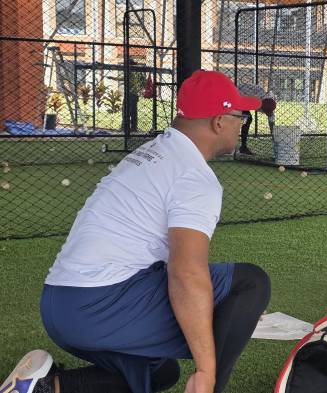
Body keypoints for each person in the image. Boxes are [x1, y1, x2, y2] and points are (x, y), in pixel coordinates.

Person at [1, 70, 271, 393]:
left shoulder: (151, 152)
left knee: (161, 372)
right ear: (218, 122)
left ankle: (46, 387)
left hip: (60, 306)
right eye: (240, 115)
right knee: (251, 284)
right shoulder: (194, 177)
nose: (242, 123)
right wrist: (206, 370)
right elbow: (186, 273)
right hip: (98, 307)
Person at [236, 83, 276, 156]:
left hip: (245, 95)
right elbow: (239, 98)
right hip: (237, 95)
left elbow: (272, 122)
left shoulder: (270, 102)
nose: (265, 113)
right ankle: (242, 147)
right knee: (247, 119)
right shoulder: (254, 98)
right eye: (264, 111)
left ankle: (243, 147)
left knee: (247, 119)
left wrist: (274, 138)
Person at [122, 57, 147, 133]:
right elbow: (143, 81)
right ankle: (133, 127)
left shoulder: (130, 71)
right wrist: (140, 89)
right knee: (134, 111)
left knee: (125, 109)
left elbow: (123, 78)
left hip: (129, 93)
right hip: (135, 94)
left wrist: (113, 78)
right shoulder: (139, 71)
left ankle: (125, 127)